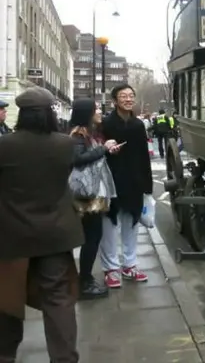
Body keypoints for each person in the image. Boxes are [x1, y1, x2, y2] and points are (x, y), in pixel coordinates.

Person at [0, 87, 83, 362]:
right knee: (58, 300)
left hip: (11, 236)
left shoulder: (5, 146)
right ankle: (64, 358)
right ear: (49, 114)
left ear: (21, 114)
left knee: (7, 301)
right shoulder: (65, 145)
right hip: (55, 234)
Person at [99, 84, 153, 288]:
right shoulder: (106, 123)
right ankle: (111, 269)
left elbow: (143, 157)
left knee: (131, 223)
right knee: (110, 226)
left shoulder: (139, 125)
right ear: (115, 101)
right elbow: (96, 150)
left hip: (134, 181)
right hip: (111, 180)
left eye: (131, 96)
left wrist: (147, 185)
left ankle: (130, 264)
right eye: (123, 96)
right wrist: (106, 149)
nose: (128, 99)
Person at [70, 99, 120, 300]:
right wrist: (103, 149)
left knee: (93, 237)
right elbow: (78, 159)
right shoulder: (78, 133)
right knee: (91, 238)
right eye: (96, 109)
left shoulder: (88, 132)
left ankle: (85, 279)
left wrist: (106, 149)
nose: (99, 111)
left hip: (91, 192)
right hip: (86, 195)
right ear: (87, 113)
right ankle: (84, 282)